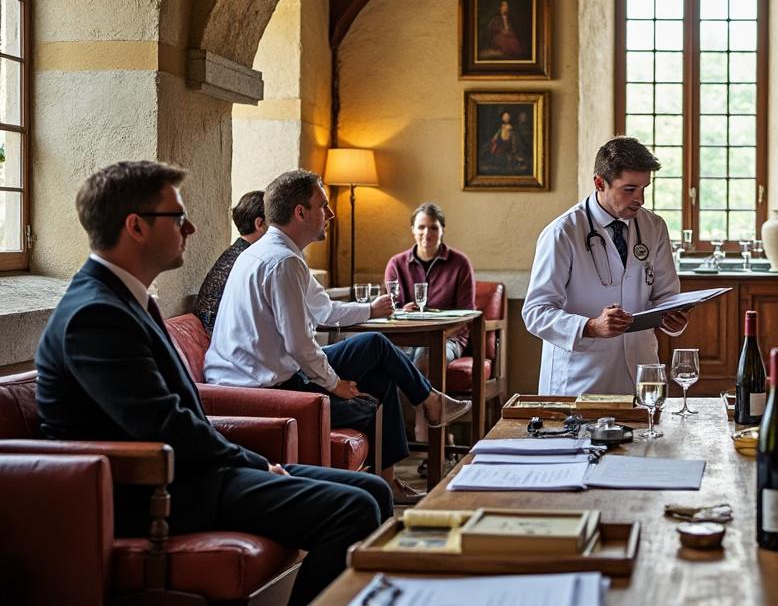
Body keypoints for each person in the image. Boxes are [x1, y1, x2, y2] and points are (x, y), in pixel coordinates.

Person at [35, 161, 391, 606]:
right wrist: (255, 462)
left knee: (373, 489)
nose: (191, 227)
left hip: (192, 472)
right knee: (353, 509)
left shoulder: (128, 299)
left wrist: (249, 460)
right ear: (135, 226)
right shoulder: (96, 314)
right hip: (156, 492)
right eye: (177, 217)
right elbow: (162, 425)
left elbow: (177, 415)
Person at [205, 169, 470, 503]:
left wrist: (371, 310)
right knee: (379, 392)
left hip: (269, 374)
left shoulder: (273, 254)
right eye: (323, 206)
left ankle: (426, 408)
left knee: (375, 344)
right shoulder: (283, 262)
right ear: (300, 213)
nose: (330, 214)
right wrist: (335, 384)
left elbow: (324, 310)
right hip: (266, 390)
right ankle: (427, 408)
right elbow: (300, 346)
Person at [523, 136, 688, 394]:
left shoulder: (654, 227)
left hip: (641, 374)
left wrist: (673, 320)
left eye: (645, 188)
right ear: (600, 183)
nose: (640, 199)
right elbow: (535, 313)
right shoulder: (563, 232)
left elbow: (666, 296)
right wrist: (590, 327)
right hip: (580, 379)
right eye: (629, 189)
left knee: (648, 435)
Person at [385, 201, 476, 439]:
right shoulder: (396, 264)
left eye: (434, 228)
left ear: (442, 230)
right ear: (413, 230)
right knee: (407, 356)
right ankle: (438, 434)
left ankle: (421, 429)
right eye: (422, 227)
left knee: (424, 359)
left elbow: (468, 312)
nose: (428, 233)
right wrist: (404, 309)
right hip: (408, 336)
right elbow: (391, 309)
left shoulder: (460, 263)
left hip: (449, 337)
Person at [193, 190, 267, 332]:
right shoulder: (249, 259)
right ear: (260, 224)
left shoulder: (237, 252)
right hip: (221, 340)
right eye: (275, 222)